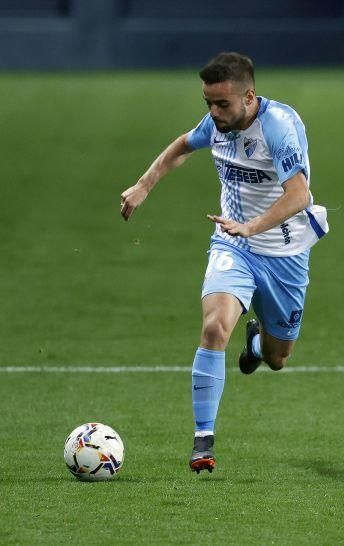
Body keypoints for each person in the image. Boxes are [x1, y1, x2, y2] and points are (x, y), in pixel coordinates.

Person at [120, 52, 328, 473]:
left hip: (284, 253)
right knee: (214, 327)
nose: (213, 114)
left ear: (248, 96)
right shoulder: (218, 124)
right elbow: (183, 144)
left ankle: (256, 344)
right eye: (207, 104)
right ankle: (203, 440)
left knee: (277, 357)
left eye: (222, 105)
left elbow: (298, 196)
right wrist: (144, 185)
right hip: (232, 246)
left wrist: (252, 227)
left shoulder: (280, 128)